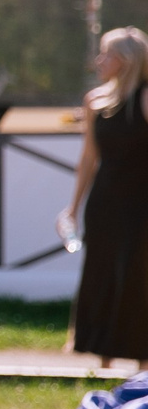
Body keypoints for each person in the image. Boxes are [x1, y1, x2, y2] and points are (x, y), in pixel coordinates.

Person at [70, 28, 148, 367]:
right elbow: (89, 157)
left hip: (141, 205)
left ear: (127, 60)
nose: (99, 61)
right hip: (104, 202)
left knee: (137, 278)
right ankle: (103, 361)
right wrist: (73, 208)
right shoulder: (95, 102)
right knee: (101, 274)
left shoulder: (145, 99)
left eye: (107, 54)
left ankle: (143, 365)